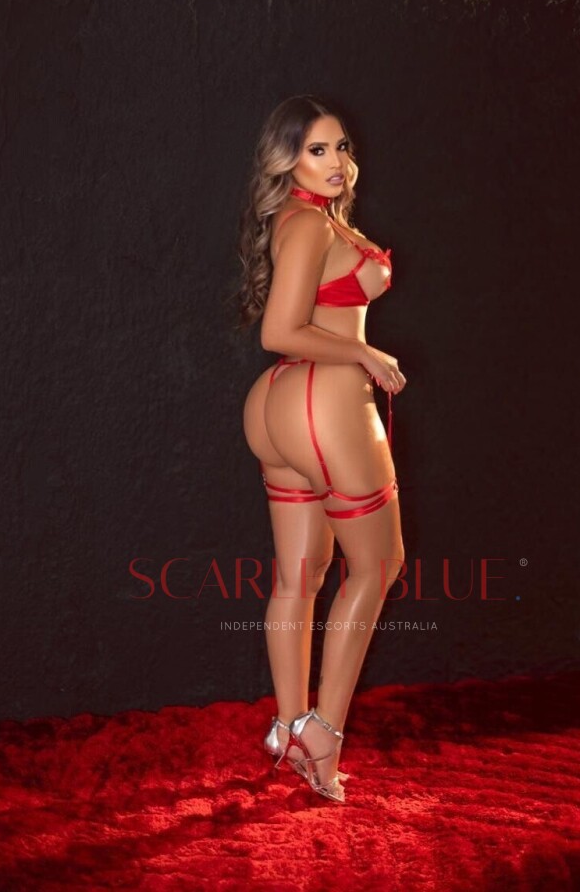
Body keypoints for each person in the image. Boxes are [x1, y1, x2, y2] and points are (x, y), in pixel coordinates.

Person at [238, 95, 406, 804]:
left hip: (280, 407)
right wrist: (364, 352)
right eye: (317, 150)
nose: (336, 161)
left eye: (341, 147)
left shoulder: (301, 218)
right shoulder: (307, 223)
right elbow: (279, 331)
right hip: (324, 403)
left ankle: (287, 727)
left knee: (298, 577)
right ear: (287, 160)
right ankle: (324, 734)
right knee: (378, 565)